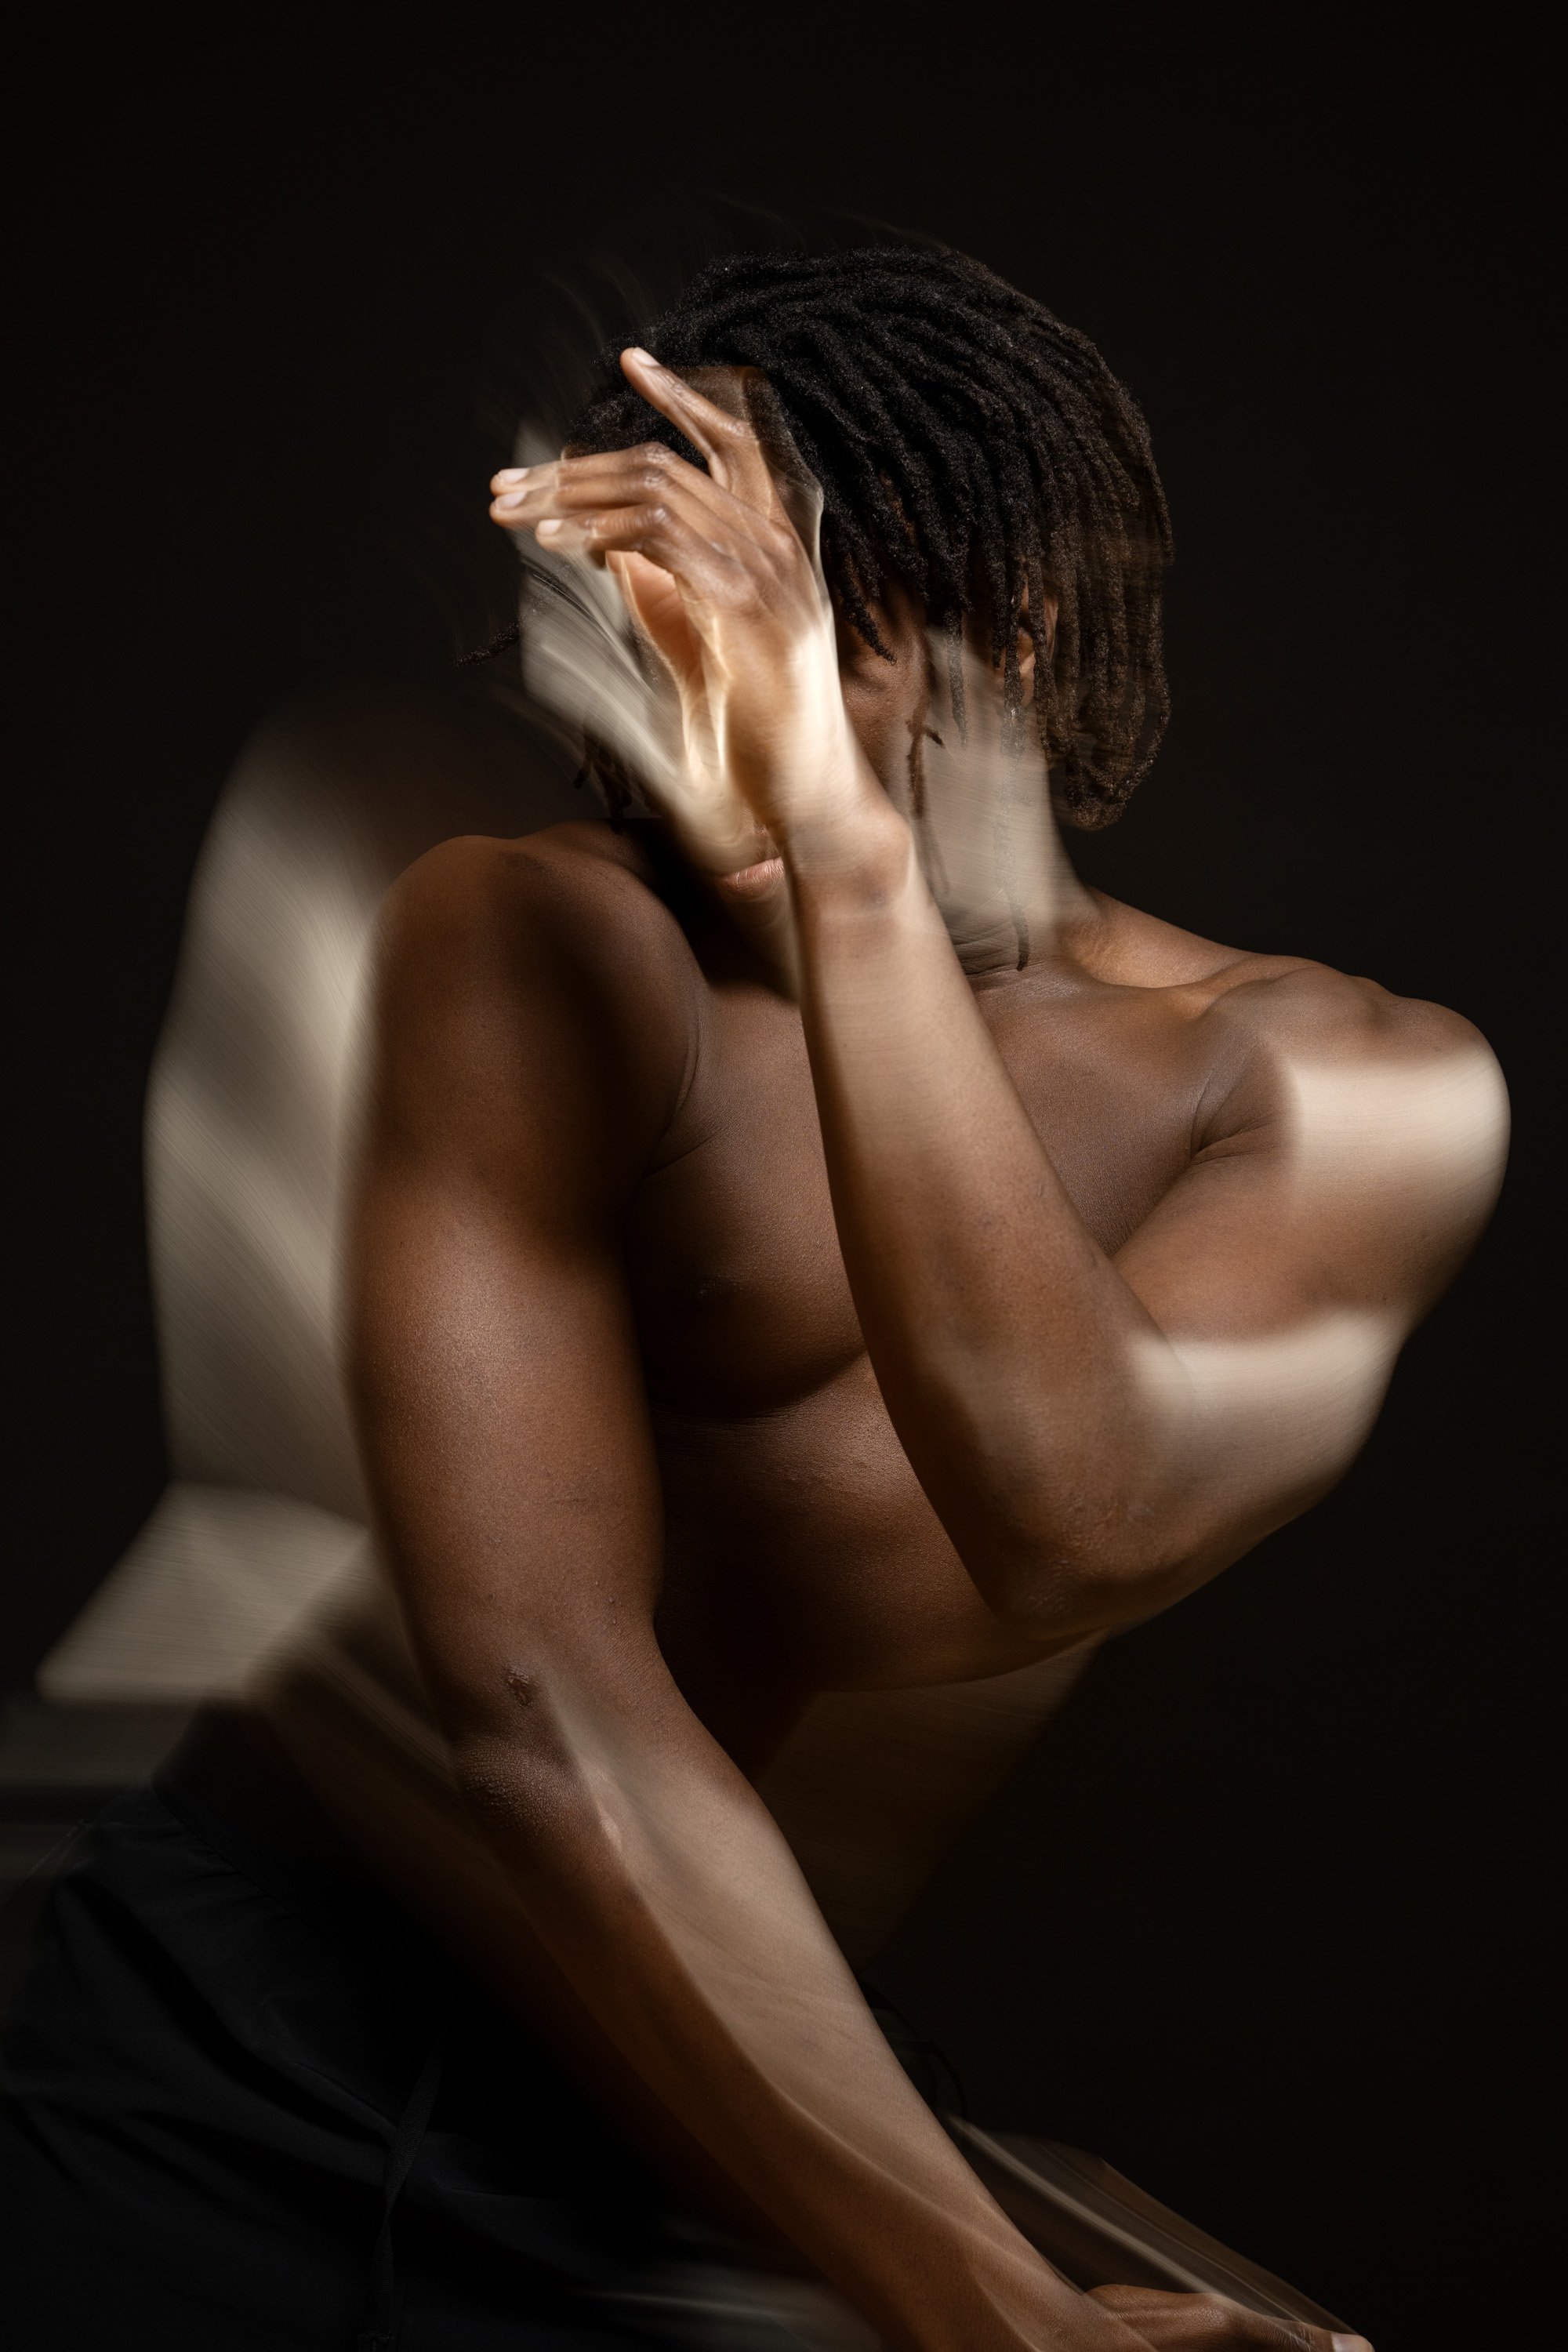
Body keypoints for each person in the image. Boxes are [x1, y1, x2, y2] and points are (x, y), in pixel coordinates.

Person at [2, 245, 1502, 2350]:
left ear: (1011, 626)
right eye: (633, 617)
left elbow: (1069, 1508)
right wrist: (991, 2306)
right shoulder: (539, 946)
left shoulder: (1341, 1087)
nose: (665, 693)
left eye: (763, 616)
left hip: (731, 2108)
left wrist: (851, 868)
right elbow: (540, 1700)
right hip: (224, 2047)